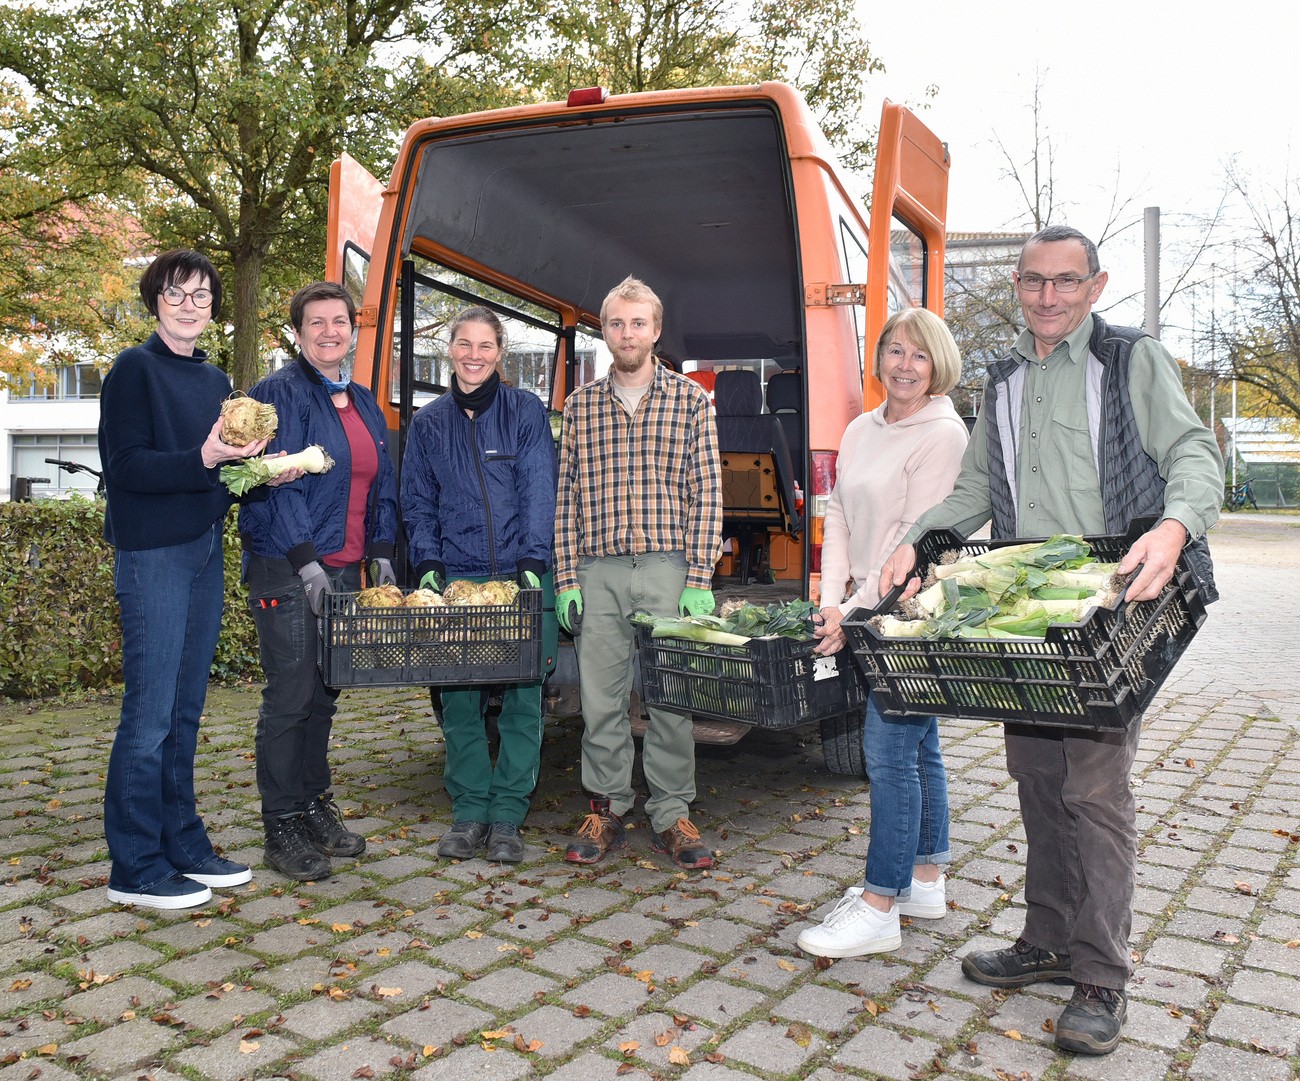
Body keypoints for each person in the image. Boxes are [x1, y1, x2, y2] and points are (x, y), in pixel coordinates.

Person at [878, 225, 1223, 1055]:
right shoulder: (1001, 382)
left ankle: (1101, 974)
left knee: (1095, 791)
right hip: (1027, 614)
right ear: (1019, 287)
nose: (1048, 296)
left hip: (1111, 606)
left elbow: (1193, 452)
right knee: (1035, 775)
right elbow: (971, 493)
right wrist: (918, 542)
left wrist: (1177, 526)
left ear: (1095, 286)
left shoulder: (1131, 361)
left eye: (1066, 282)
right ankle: (1048, 938)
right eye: (1034, 281)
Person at [99, 249, 282, 909]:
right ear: (155, 301)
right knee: (148, 715)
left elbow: (218, 478)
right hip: (153, 556)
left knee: (184, 710)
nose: (189, 304)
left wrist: (261, 471)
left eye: (201, 295)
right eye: (176, 293)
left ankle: (183, 842)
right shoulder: (132, 371)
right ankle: (135, 865)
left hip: (204, 551)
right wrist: (203, 456)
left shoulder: (216, 385)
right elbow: (128, 469)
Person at [797, 308, 968, 958]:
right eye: (894, 350)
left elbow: (910, 542)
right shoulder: (863, 427)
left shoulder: (943, 435)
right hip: (867, 606)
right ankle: (924, 877)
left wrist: (856, 611)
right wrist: (831, 596)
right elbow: (838, 510)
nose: (903, 364)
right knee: (919, 746)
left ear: (938, 364)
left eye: (918, 355)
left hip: (913, 613)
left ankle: (879, 905)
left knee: (889, 751)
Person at [554, 276, 722, 870]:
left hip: (667, 569)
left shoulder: (691, 402)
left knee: (669, 697)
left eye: (638, 324)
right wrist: (566, 578)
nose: (627, 334)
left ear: (656, 330)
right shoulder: (580, 407)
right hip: (597, 571)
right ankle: (606, 806)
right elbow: (565, 498)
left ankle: (672, 811)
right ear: (605, 332)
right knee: (600, 699)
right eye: (616, 324)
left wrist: (699, 579)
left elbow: (707, 493)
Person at [239, 281, 399, 881]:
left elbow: (379, 484)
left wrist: (380, 553)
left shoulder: (361, 400)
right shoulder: (276, 395)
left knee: (325, 695)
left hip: (345, 567)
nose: (330, 331)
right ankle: (280, 824)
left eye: (339, 321)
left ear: (351, 330)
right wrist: (307, 559)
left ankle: (312, 805)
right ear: (297, 333)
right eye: (316, 322)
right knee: (289, 695)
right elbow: (273, 481)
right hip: (288, 564)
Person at [401, 306, 558, 863]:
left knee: (522, 697)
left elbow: (540, 488)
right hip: (459, 583)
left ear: (500, 352)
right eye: (464, 344)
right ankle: (469, 812)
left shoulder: (524, 412)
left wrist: (535, 560)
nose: (474, 355)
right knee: (459, 700)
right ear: (450, 350)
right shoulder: (428, 423)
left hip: (521, 576)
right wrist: (426, 563)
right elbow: (417, 502)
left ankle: (509, 815)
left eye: (485, 345)